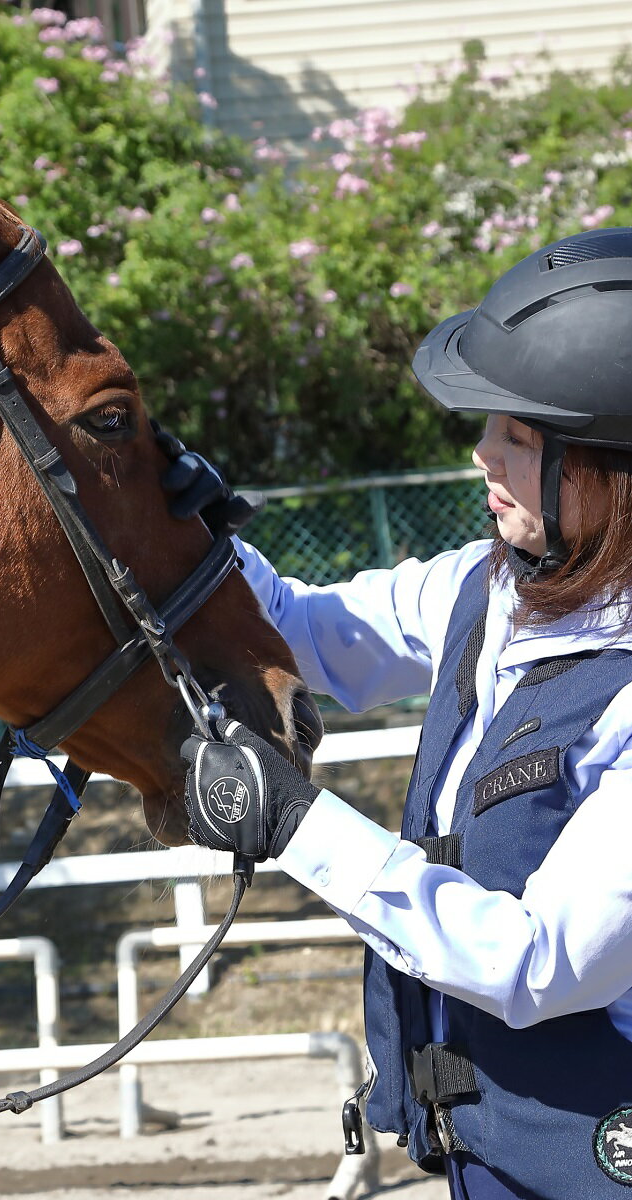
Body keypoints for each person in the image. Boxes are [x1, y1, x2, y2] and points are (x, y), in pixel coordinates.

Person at [175, 228, 632, 1200]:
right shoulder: (486, 586)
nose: (481, 454)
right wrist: (187, 525)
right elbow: (303, 630)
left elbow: (537, 962)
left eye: (516, 435)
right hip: (482, 1157)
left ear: (608, 467)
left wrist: (298, 826)